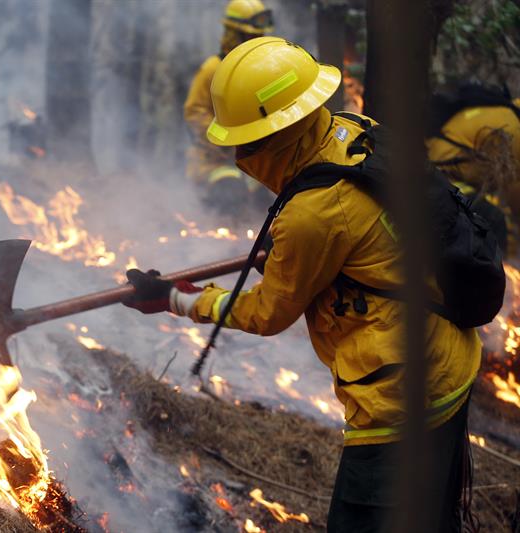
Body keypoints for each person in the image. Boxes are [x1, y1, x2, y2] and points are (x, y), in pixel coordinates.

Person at [125, 37, 481, 532]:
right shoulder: (355, 130)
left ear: (277, 134)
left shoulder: (311, 214)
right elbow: (364, 232)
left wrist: (176, 300)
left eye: (245, 141)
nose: (239, 154)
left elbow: (267, 314)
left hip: (401, 395)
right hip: (449, 358)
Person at [184, 0, 273, 215]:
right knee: (230, 194)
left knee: (266, 199)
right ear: (234, 35)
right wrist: (227, 137)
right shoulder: (213, 69)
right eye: (249, 37)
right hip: (214, 162)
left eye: (258, 38)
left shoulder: (260, 70)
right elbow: (194, 112)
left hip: (249, 160)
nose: (254, 43)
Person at [427, 84, 520, 254]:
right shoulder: (515, 128)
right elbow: (515, 197)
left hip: (435, 167)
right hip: (442, 177)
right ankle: (503, 274)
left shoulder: (504, 111)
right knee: (493, 219)